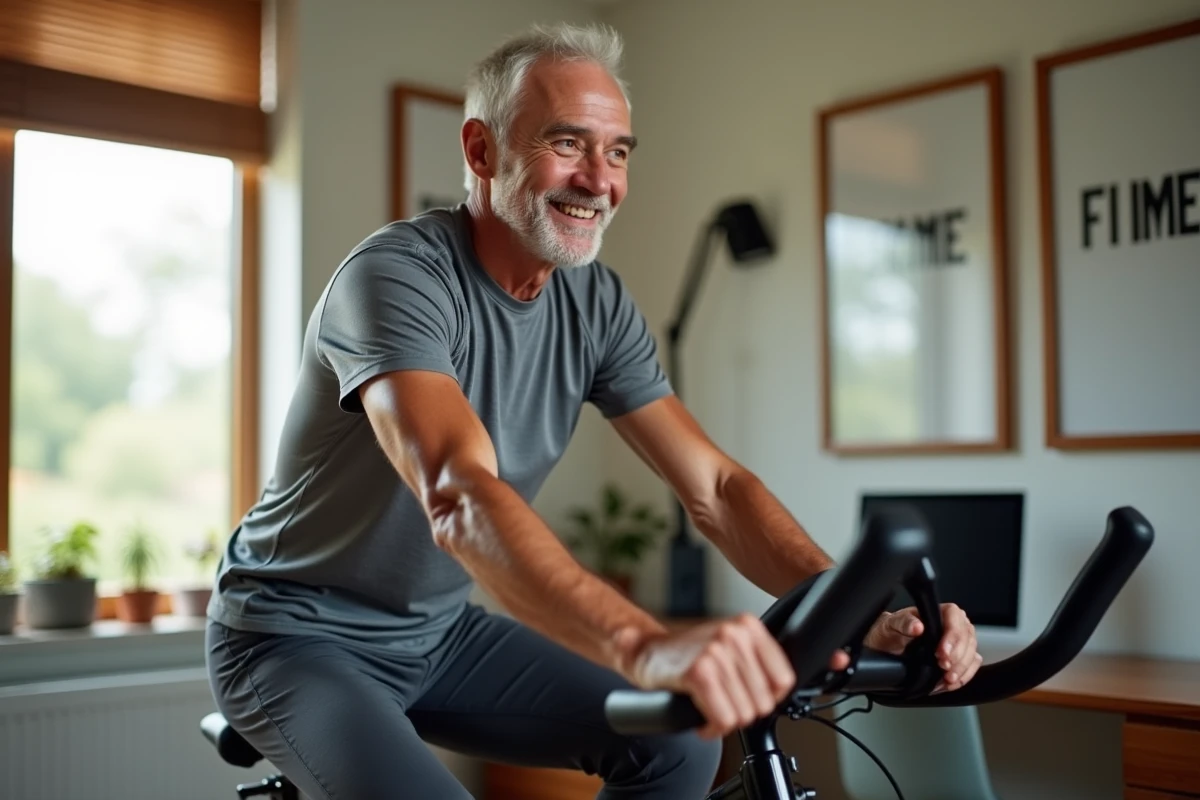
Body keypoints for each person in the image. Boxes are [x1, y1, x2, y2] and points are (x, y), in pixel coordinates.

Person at [205, 21, 982, 800]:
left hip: (437, 635)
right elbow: (458, 494)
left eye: (616, 153)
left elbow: (715, 490)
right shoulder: (398, 277)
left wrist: (858, 612)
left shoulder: (595, 303)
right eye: (567, 143)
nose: (598, 180)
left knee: (676, 743)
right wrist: (645, 646)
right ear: (481, 151)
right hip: (292, 637)